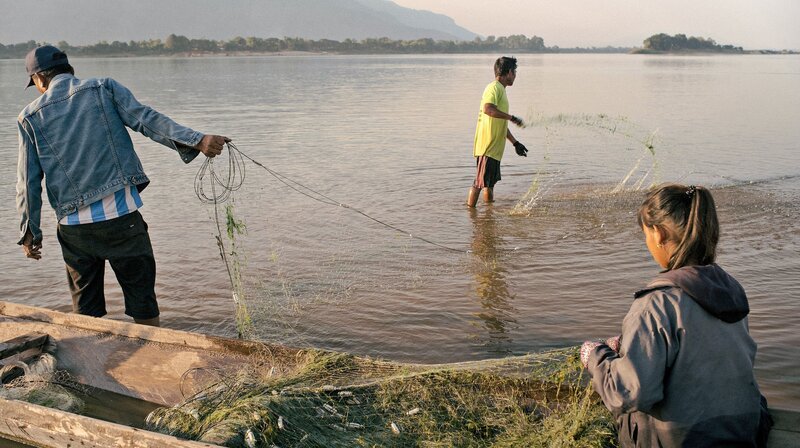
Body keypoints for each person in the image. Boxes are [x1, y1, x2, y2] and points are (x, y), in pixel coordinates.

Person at [16, 45, 229, 327]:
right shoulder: (103, 88)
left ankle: (90, 362)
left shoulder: (29, 117)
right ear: (69, 70)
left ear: (40, 79)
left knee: (86, 315)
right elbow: (147, 120)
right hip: (122, 221)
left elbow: (28, 182)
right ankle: (153, 360)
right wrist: (198, 140)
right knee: (143, 307)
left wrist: (29, 232)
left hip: (75, 230)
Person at [580, 184, 772, 447]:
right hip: (744, 430)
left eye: (645, 235)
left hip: (687, 440)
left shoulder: (656, 303)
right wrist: (626, 343)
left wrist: (595, 356)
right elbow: (698, 347)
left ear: (658, 233)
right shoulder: (730, 288)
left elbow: (629, 393)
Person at [467, 56, 528, 207]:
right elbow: (488, 109)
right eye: (514, 72)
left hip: (494, 149)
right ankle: (470, 214)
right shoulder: (494, 88)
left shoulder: (501, 90)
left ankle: (488, 215)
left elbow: (500, 123)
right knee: (479, 183)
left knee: (489, 184)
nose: (515, 76)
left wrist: (515, 143)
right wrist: (512, 117)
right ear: (508, 72)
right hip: (488, 146)